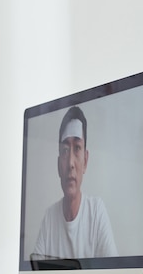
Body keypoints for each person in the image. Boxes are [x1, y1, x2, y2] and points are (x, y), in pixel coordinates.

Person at [33, 106, 117, 260]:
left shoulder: (96, 212)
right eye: (65, 150)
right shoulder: (49, 218)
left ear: (85, 161)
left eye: (77, 148)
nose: (71, 162)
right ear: (59, 165)